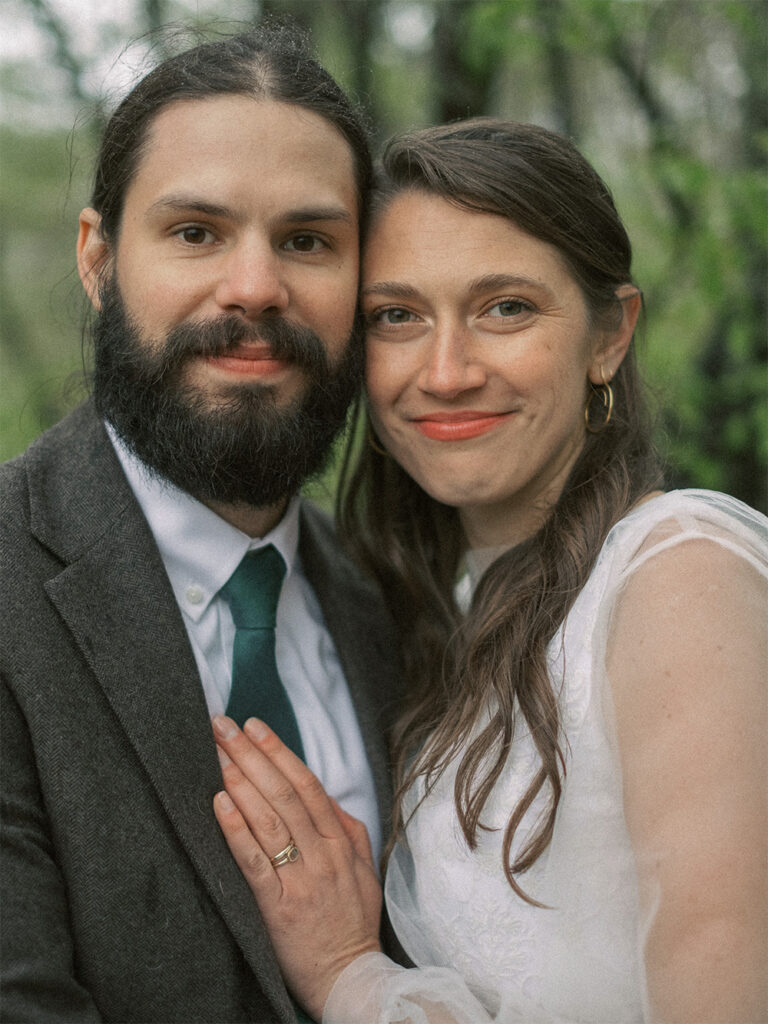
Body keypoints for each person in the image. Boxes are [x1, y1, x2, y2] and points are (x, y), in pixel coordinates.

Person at [211, 119, 768, 1023]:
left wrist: (349, 976)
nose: (447, 371)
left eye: (506, 307)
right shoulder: (437, 607)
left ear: (610, 334)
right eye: (398, 316)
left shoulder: (677, 577)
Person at [0, 25, 406, 1023]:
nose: (256, 287)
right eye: (196, 233)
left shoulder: (395, 604)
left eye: (308, 241)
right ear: (98, 259)